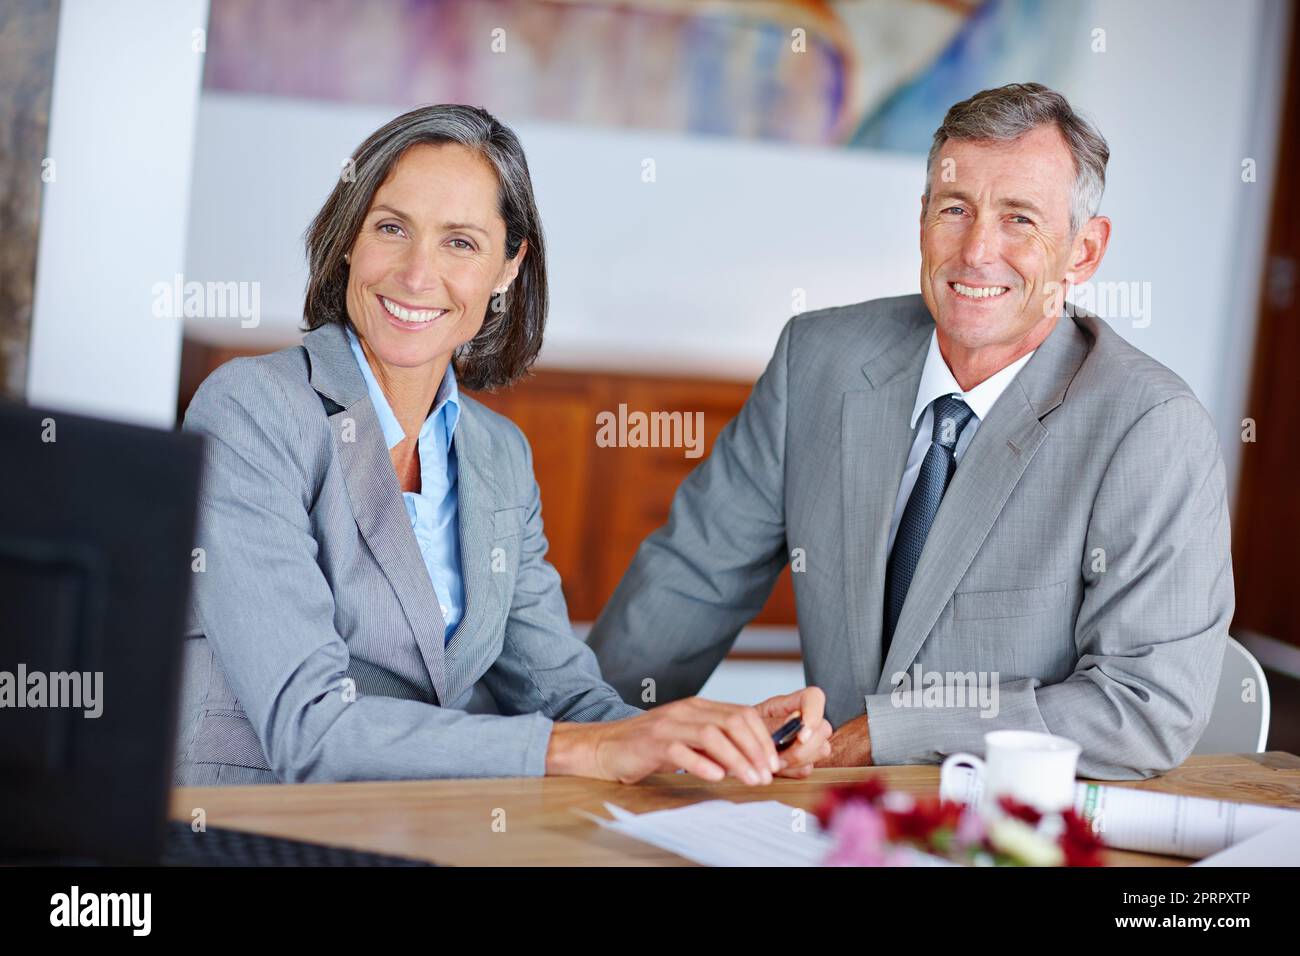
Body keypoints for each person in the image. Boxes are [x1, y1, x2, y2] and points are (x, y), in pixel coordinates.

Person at [172, 104, 831, 787]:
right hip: (250, 823)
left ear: (508, 267)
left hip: (427, 829)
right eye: (391, 228)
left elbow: (565, 696)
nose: (417, 274)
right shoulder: (252, 410)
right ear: (348, 240)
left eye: (460, 242)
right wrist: (583, 750)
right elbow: (310, 727)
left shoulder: (498, 455)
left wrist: (715, 740)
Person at [588, 83, 1233, 780]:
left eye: (1020, 219)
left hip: (1001, 833)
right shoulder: (819, 360)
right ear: (923, 217)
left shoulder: (1150, 428)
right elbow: (691, 581)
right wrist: (586, 737)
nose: (977, 251)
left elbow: (1145, 708)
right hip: (817, 822)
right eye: (955, 209)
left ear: (1082, 253)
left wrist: (882, 735)